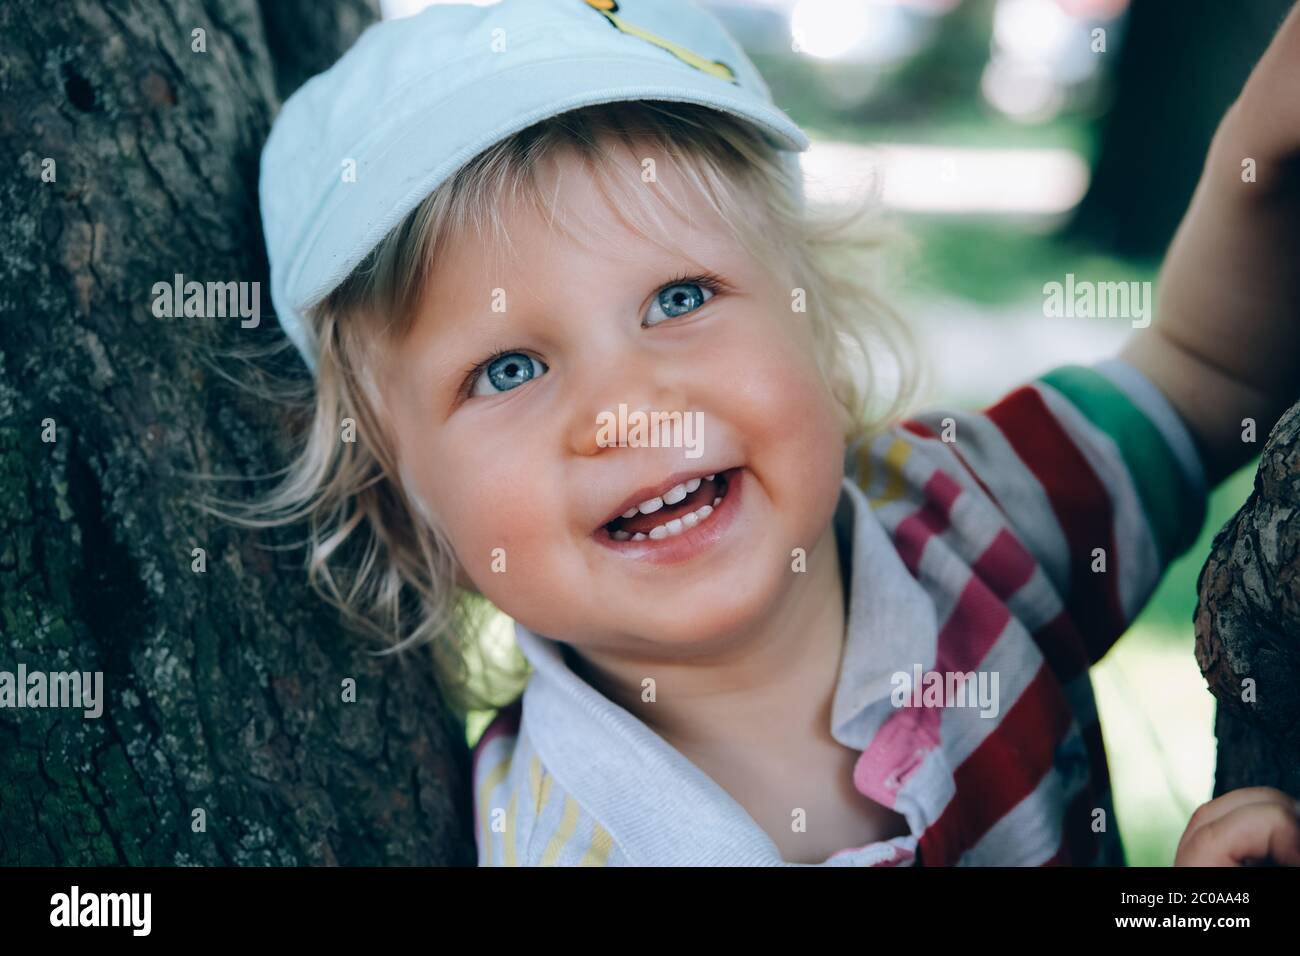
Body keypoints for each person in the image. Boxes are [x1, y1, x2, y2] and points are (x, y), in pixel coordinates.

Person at [253, 0, 1300, 865]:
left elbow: (1204, 371)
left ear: (814, 324)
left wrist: (1261, 141)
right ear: (402, 504)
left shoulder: (962, 510)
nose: (630, 406)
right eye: (508, 368)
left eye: (677, 298)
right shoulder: (557, 843)